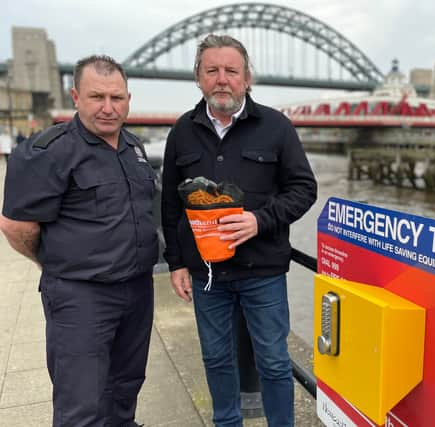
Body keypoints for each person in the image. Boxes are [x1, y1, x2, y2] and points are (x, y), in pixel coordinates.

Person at [161, 34, 317, 427]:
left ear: (247, 78)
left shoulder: (276, 127)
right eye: (211, 70)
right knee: (215, 358)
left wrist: (258, 220)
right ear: (198, 78)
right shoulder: (182, 131)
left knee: (274, 360)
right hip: (207, 275)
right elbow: (169, 204)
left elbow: (304, 189)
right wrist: (176, 263)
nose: (222, 79)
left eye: (231, 70)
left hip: (262, 271)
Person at [0, 55, 158, 427]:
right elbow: (15, 226)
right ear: (75, 96)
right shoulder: (50, 151)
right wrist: (54, 263)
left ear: (128, 99)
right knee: (80, 403)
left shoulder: (133, 149)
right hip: (81, 297)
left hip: (136, 292)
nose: (108, 107)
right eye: (96, 97)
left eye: (116, 98)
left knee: (125, 388)